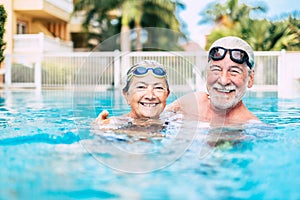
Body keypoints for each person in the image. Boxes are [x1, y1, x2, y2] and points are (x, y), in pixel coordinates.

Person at [166, 36, 261, 125]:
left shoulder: (251, 127)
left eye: (234, 71)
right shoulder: (193, 102)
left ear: (250, 79)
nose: (223, 81)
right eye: (216, 70)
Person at [95, 60, 170, 128]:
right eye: (141, 87)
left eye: (158, 88)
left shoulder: (173, 120)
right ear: (127, 95)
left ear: (167, 95)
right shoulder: (114, 125)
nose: (150, 96)